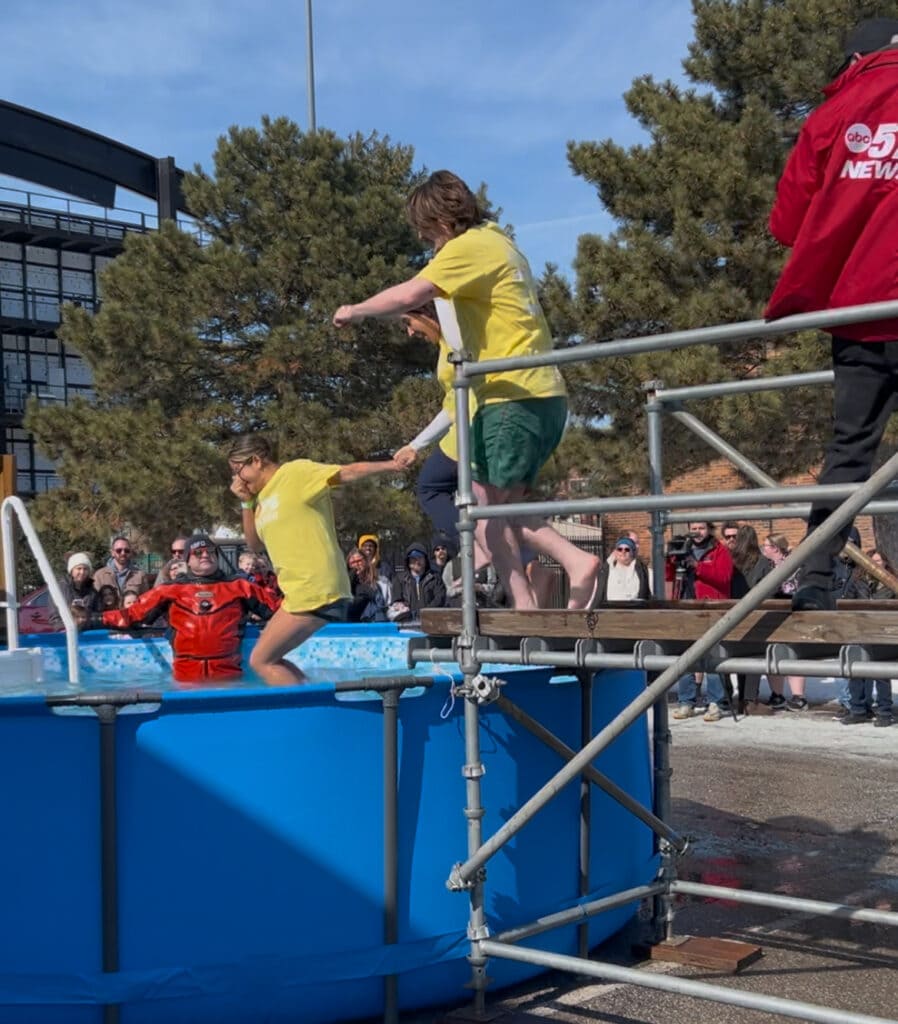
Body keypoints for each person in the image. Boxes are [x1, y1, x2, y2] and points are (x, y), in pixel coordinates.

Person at [333, 169, 600, 610]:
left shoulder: (468, 247)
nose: (429, 246)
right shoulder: (500, 240)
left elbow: (410, 292)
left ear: (438, 223)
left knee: (485, 514)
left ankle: (568, 567)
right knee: (498, 509)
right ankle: (529, 602)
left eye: (426, 235)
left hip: (510, 397)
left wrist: (356, 310)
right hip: (542, 393)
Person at [765, 17, 898, 611]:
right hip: (870, 305)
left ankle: (816, 580)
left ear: (854, 61)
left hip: (863, 310)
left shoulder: (832, 115)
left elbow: (786, 225)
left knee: (850, 451)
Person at [228, 435, 402, 685]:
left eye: (238, 471)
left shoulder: (295, 473)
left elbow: (348, 472)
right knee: (269, 659)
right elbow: (254, 544)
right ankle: (315, 698)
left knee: (260, 661)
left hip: (316, 587)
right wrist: (247, 503)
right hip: (296, 593)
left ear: (256, 461)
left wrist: (391, 465)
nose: (236, 480)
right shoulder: (262, 500)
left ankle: (309, 713)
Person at [75, 534, 281, 683]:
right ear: (187, 559)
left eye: (210, 551)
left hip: (229, 679)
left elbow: (279, 610)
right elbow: (133, 615)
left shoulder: (240, 587)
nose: (205, 555)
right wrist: (91, 620)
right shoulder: (170, 590)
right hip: (186, 680)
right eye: (198, 552)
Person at [669, 523, 733, 722]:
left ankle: (716, 702)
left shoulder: (719, 550)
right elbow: (668, 576)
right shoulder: (683, 546)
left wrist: (698, 567)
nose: (697, 532)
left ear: (709, 529)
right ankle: (686, 701)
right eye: (694, 527)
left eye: (702, 527)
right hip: (686, 606)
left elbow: (724, 577)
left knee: (712, 656)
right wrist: (671, 560)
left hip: (711, 608)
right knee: (686, 656)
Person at [388, 543, 447, 622]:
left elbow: (440, 599)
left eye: (419, 557)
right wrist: (402, 608)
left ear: (425, 560)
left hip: (431, 622)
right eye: (413, 558)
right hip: (407, 624)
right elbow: (396, 600)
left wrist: (423, 613)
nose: (416, 561)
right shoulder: (399, 579)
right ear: (408, 561)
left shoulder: (435, 578)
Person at [596, 537, 650, 603]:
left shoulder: (643, 571)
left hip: (634, 610)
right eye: (620, 549)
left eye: (627, 549)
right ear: (615, 552)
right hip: (611, 610)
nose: (623, 551)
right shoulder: (605, 570)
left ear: (632, 552)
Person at [346, 547, 391, 623]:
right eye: (353, 562)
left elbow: (389, 605)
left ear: (366, 561)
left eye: (359, 561)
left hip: (377, 625)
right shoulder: (345, 585)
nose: (357, 564)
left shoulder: (382, 582)